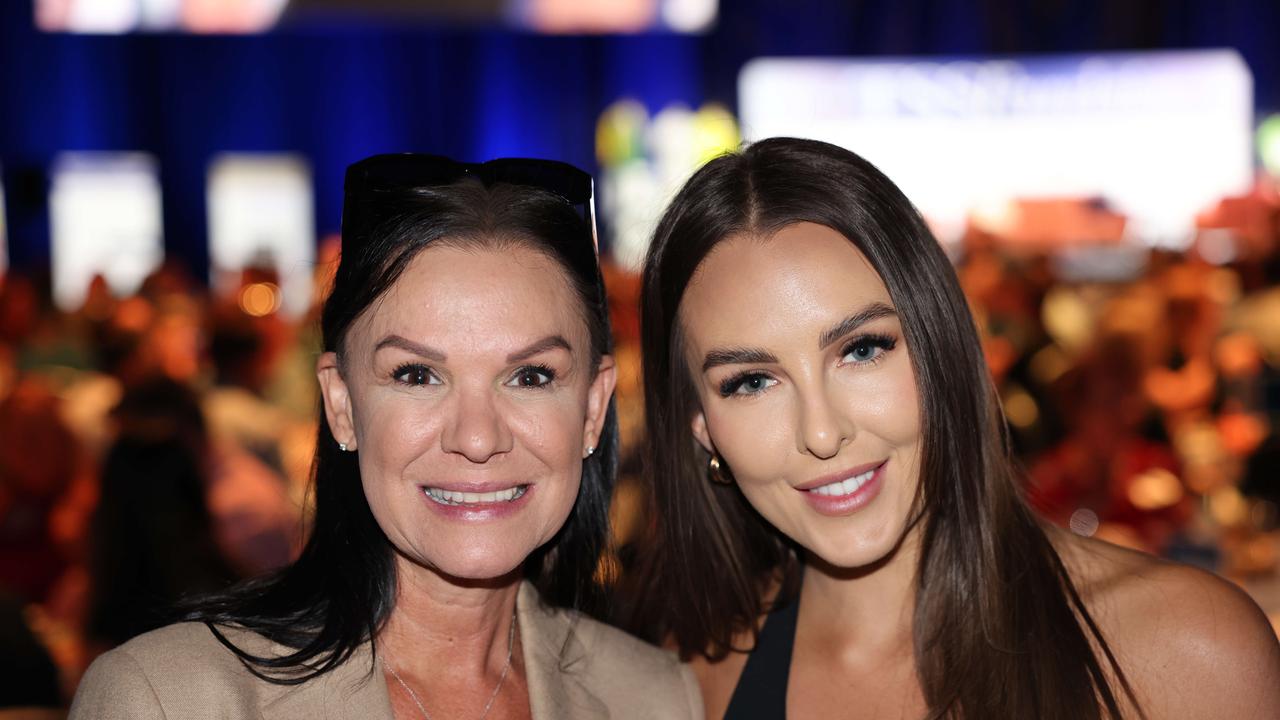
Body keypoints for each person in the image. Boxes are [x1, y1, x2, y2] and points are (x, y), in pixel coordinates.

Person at [626, 137, 1280, 719]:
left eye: (861, 349)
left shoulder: (1189, 653)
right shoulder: (683, 681)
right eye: (751, 382)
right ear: (704, 428)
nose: (822, 433)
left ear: (940, 345)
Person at [70, 154, 702, 720]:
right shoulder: (166, 700)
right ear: (341, 405)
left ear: (594, 407)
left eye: (531, 376)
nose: (477, 438)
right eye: (418, 374)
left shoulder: (655, 697)